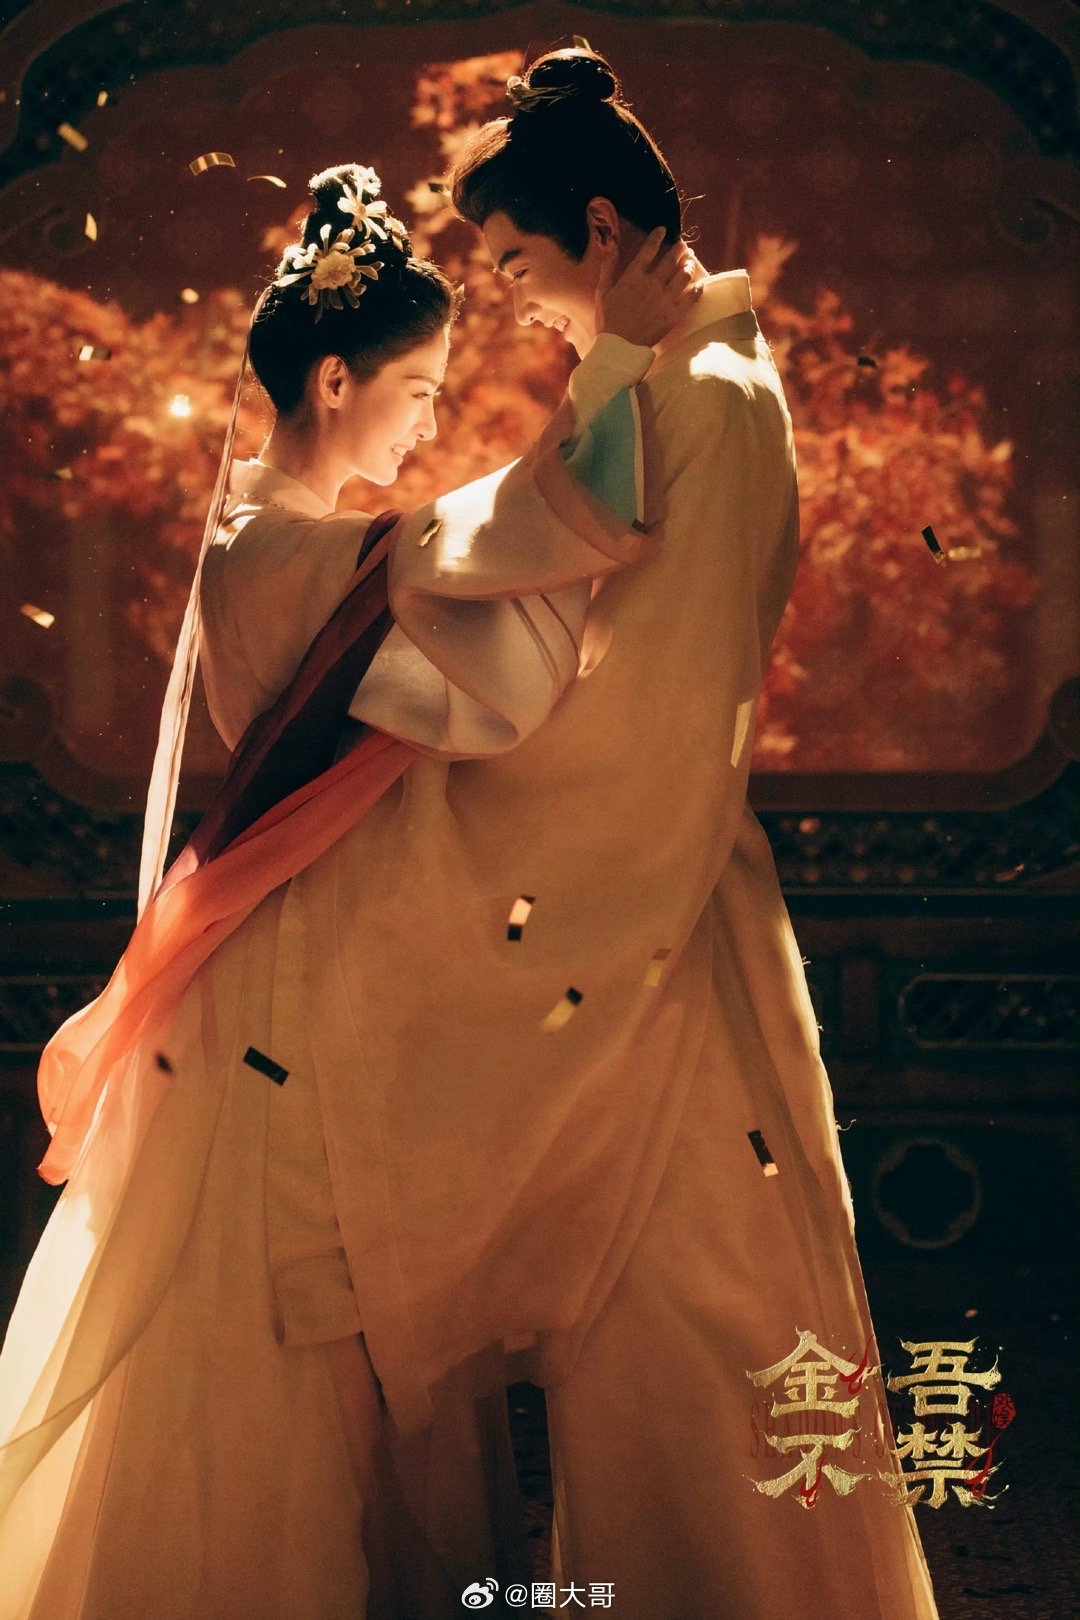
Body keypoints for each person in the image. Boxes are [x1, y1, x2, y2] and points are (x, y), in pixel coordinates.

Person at [0, 160, 700, 1618]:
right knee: (304, 1311)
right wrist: (618, 367)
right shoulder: (312, 556)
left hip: (296, 959)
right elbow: (550, 541)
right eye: (421, 390)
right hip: (301, 982)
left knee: (308, 1312)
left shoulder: (265, 539)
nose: (434, 423)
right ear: (335, 379)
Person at [439, 44, 944, 1619]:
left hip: (655, 901)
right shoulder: (664, 384)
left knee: (700, 1311)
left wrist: (459, 808)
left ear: (599, 229)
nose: (509, 298)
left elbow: (660, 709)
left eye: (514, 262)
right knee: (665, 1321)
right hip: (647, 893)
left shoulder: (707, 402)